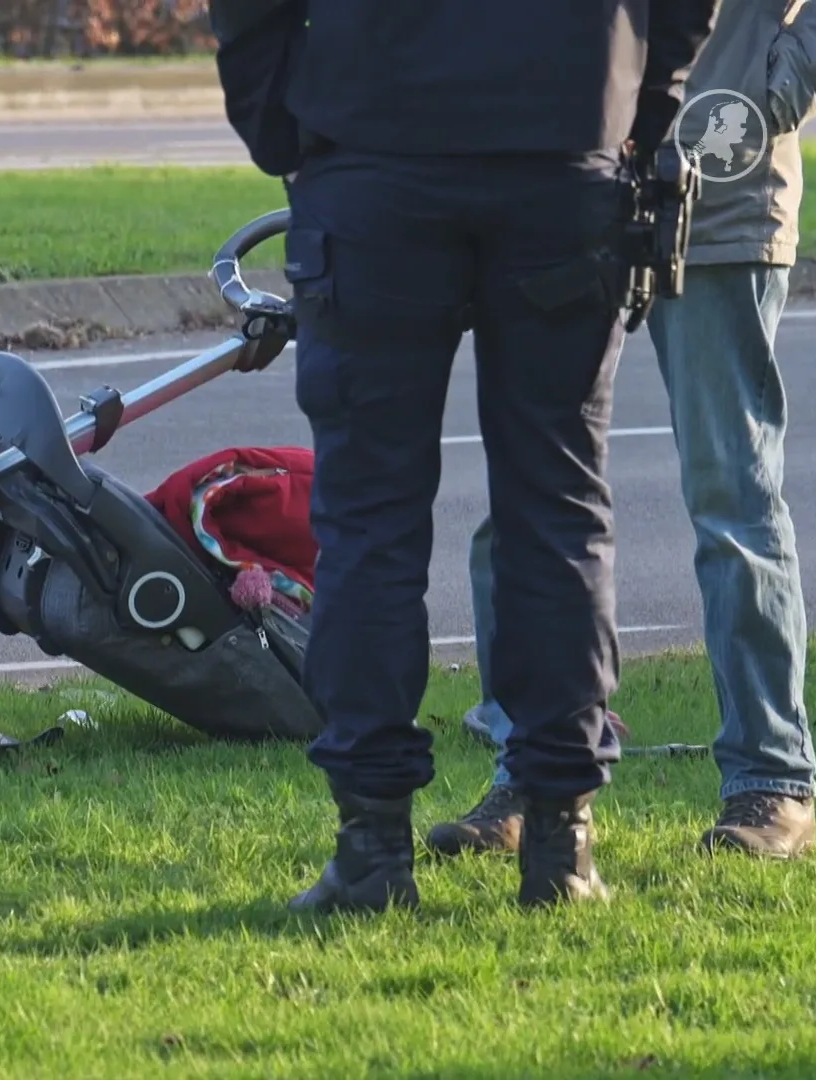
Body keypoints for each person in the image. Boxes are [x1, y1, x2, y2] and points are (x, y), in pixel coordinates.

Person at [214, 0, 721, 914]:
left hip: (372, 146)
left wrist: (286, 121)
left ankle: (372, 848)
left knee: (369, 516)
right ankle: (561, 844)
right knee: (559, 501)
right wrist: (639, 112)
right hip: (561, 141)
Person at [434, 0, 816, 865]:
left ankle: (773, 780)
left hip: (720, 195)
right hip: (562, 188)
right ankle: (533, 776)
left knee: (732, 498)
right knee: (526, 505)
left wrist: (767, 95)